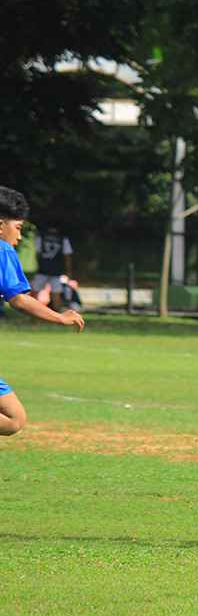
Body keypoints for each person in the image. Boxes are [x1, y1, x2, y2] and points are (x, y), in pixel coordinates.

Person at [0, 186, 85, 436]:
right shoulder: (3, 250)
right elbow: (19, 300)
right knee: (14, 418)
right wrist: (60, 316)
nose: (18, 238)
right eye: (18, 229)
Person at [32, 224, 74, 311]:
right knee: (56, 293)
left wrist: (40, 263)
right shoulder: (62, 239)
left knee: (35, 292)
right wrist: (69, 270)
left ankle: (32, 312)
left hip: (43, 268)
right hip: (56, 269)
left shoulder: (42, 237)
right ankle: (57, 313)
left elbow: (38, 253)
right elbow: (67, 256)